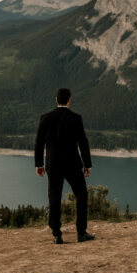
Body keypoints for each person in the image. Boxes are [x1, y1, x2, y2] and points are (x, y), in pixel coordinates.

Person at [34, 87, 94, 244]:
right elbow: (83, 142)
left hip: (53, 164)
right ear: (69, 100)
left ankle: (57, 234)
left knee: (54, 197)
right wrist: (87, 164)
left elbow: (39, 143)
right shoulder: (76, 118)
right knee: (81, 195)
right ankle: (81, 233)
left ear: (56, 99)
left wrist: (38, 164)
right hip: (72, 163)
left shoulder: (45, 118)